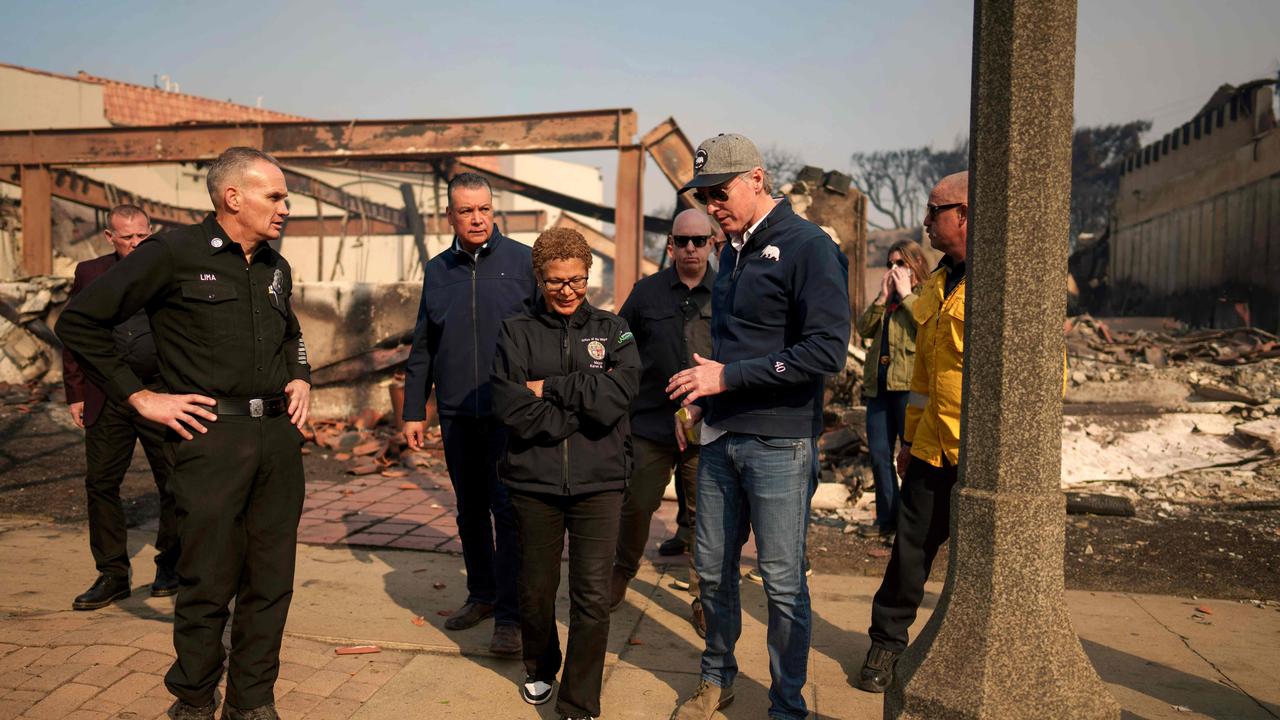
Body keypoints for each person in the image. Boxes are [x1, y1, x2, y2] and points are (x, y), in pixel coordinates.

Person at [56, 147, 312, 720]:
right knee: (207, 578)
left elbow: (292, 331)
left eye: (284, 197)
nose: (285, 207)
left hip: (277, 440)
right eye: (275, 196)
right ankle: (194, 698)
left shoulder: (275, 265)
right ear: (232, 198)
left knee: (271, 580)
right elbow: (78, 322)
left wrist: (301, 375)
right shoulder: (171, 253)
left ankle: (252, 701)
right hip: (209, 439)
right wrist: (139, 396)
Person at [667, 133, 851, 720]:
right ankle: (716, 677)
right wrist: (704, 397)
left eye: (718, 193)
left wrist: (728, 379)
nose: (711, 206)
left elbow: (825, 352)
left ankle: (787, 705)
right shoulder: (733, 253)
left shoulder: (808, 247)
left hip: (778, 440)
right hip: (721, 437)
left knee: (780, 582)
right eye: (702, 195)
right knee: (713, 573)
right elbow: (729, 347)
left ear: (756, 179)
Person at [491, 227, 640, 720]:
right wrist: (585, 404)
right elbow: (512, 408)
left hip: (600, 484)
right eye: (556, 282)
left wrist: (551, 387)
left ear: (588, 275)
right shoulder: (515, 331)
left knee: (592, 597)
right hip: (534, 483)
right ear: (539, 277)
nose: (568, 291)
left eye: (577, 280)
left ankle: (579, 701)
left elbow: (621, 395)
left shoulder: (614, 329)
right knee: (535, 589)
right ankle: (540, 665)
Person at [401, 172, 535, 656]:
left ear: (493, 209)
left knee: (507, 511)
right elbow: (424, 345)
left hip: (508, 413)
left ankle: (511, 617)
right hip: (456, 413)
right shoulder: (437, 271)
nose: (476, 218)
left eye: (483, 208)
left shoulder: (523, 262)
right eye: (466, 211)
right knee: (469, 511)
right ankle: (480, 595)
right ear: (450, 216)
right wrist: (414, 409)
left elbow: (543, 333)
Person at [857, 171, 969, 694]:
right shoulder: (941, 285)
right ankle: (886, 643)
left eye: (934, 211)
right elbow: (924, 377)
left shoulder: (1004, 280)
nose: (925, 221)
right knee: (910, 550)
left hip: (983, 454)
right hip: (931, 449)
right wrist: (909, 441)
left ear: (964, 214)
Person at [62, 204, 180, 610]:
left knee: (175, 481)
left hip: (158, 393)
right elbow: (74, 332)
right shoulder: (90, 273)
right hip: (106, 394)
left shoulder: (166, 268)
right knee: (101, 484)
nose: (136, 243)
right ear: (109, 237)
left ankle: (171, 564)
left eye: (142, 235)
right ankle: (112, 573)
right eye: (127, 237)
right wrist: (75, 392)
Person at [610, 208, 715, 637]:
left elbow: (742, 353)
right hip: (651, 421)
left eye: (699, 240)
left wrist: (708, 402)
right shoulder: (647, 293)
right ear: (670, 244)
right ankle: (621, 571)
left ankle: (704, 597)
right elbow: (620, 341)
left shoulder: (729, 293)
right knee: (635, 503)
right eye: (682, 241)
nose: (690, 248)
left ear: (713, 244)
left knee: (707, 515)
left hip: (708, 424)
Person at [854, 239, 929, 544]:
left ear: (915, 266)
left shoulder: (923, 295)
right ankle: (887, 521)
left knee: (909, 457)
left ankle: (910, 527)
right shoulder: (887, 300)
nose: (894, 270)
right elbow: (863, 329)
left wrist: (907, 295)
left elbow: (926, 325)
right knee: (879, 455)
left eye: (900, 264)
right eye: (890, 264)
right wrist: (882, 298)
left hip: (908, 387)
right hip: (878, 387)